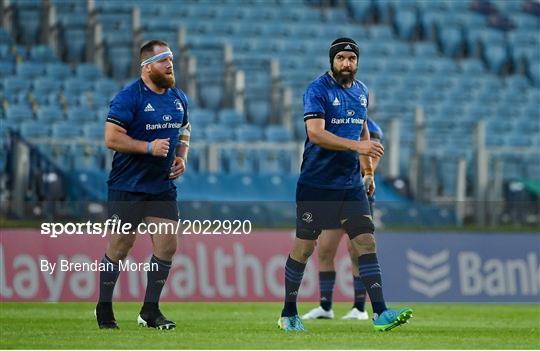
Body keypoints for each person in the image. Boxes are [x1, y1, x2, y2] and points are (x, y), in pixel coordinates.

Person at [277, 38, 412, 332]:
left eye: (351, 58)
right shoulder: (317, 90)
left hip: (351, 184)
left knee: (365, 242)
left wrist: (367, 171)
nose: (347, 64)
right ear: (332, 61)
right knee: (305, 248)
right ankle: (288, 313)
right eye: (341, 58)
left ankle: (380, 313)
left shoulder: (362, 91)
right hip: (317, 183)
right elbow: (316, 134)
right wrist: (358, 146)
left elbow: (362, 123)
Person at [95, 39, 191, 330]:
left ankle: (150, 310)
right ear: (147, 67)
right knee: (121, 246)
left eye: (171, 60)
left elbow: (185, 127)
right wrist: (148, 148)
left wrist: (181, 156)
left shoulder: (178, 97)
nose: (170, 65)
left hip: (161, 185)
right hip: (128, 185)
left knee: (168, 245)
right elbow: (111, 138)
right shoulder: (128, 98)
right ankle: (104, 307)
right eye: (164, 61)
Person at [301, 118, 384, 321]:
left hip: (358, 196)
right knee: (325, 249)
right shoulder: (334, 125)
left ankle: (359, 308)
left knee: (356, 250)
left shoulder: (370, 128)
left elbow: (372, 158)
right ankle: (325, 306)